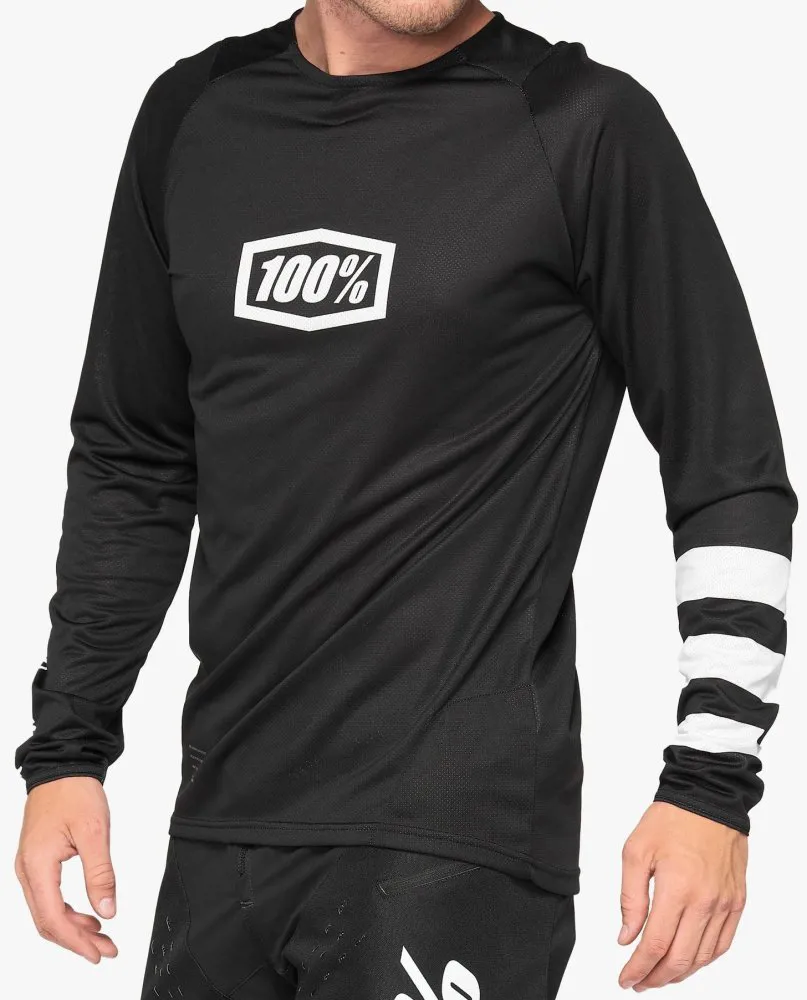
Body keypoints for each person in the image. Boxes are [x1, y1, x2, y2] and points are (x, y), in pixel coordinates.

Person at [14, 2, 795, 997]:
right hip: (222, 825)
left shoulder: (580, 125)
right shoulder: (196, 114)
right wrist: (68, 749)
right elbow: (135, 455)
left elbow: (727, 468)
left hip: (450, 839)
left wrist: (710, 784)